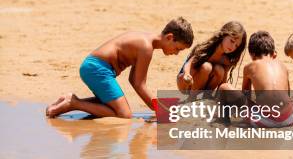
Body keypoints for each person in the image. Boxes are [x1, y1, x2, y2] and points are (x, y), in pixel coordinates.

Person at [46, 17, 194, 119]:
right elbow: (139, 84)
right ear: (169, 37)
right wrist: (162, 110)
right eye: (177, 49)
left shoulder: (146, 41)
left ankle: (70, 100)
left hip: (94, 67)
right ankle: (74, 103)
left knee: (112, 105)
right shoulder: (146, 47)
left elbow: (133, 80)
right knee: (124, 114)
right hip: (97, 69)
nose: (176, 54)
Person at [218, 30, 293, 127]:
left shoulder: (250, 67)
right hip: (288, 118)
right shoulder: (282, 66)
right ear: (274, 53)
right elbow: (287, 95)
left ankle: (223, 120)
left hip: (263, 121)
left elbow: (246, 95)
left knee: (224, 87)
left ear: (252, 55)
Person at [177, 21, 247, 93]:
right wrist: (187, 74)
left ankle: (207, 96)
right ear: (223, 35)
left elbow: (223, 82)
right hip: (184, 82)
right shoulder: (207, 49)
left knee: (220, 70)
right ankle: (192, 98)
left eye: (236, 46)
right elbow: (189, 63)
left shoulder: (226, 60)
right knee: (206, 67)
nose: (233, 47)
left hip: (201, 86)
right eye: (232, 41)